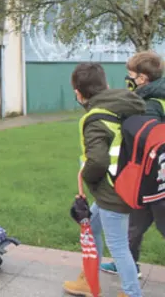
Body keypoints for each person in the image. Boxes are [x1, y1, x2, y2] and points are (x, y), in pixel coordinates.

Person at [63, 63, 144, 297]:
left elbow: (97, 161)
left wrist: (85, 178)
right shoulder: (128, 104)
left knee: (118, 245)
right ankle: (89, 281)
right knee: (93, 225)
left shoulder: (96, 118)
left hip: (114, 191)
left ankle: (132, 293)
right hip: (129, 182)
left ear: (78, 93)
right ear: (106, 85)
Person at [99, 51, 165, 278]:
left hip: (156, 180)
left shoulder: (149, 106)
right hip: (149, 179)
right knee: (134, 226)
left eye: (131, 75)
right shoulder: (154, 98)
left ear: (143, 79)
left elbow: (142, 142)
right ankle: (126, 265)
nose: (128, 80)